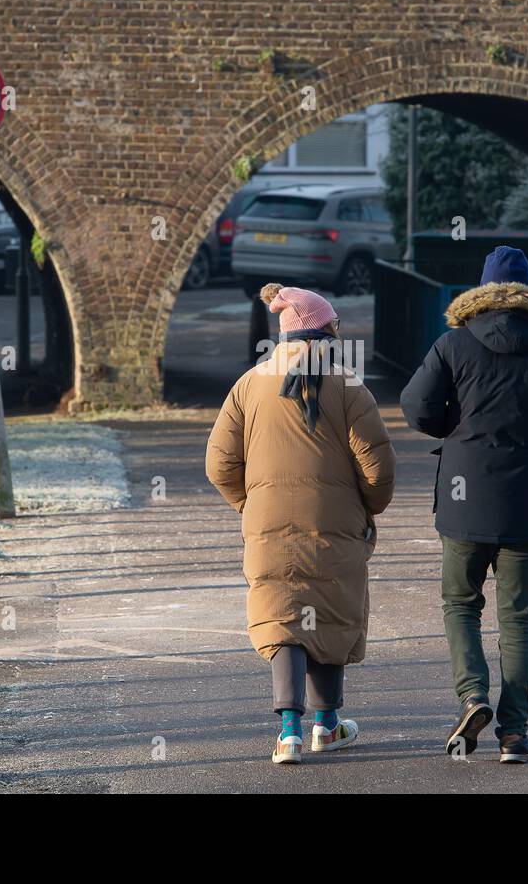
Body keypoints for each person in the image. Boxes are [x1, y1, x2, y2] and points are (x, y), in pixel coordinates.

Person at [399, 246, 528, 763]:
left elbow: (416, 407)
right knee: (518, 618)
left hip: (464, 500)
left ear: (482, 292)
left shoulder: (453, 345)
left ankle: (472, 697)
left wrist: (458, 427)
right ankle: (514, 733)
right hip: (526, 504)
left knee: (460, 605)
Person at [206, 283, 396, 765]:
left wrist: (248, 505)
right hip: (334, 522)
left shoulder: (249, 384)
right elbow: (377, 468)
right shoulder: (349, 385)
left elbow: (219, 465)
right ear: (324, 333)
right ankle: (326, 726)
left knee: (282, 617)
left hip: (267, 521)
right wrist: (368, 507)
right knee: (328, 608)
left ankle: (288, 732)